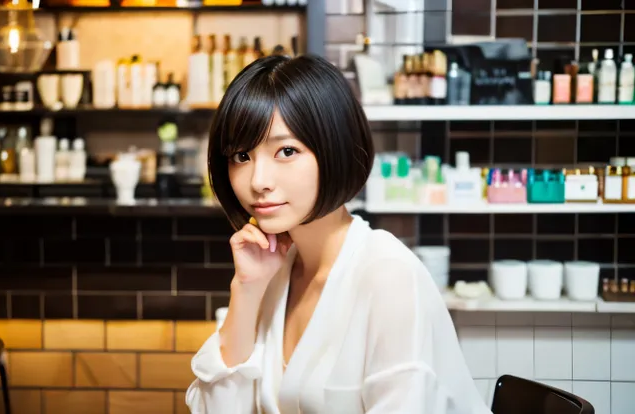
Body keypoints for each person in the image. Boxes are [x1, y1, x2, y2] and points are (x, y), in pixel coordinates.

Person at [185, 54, 491, 414]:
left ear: (336, 148)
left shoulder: (388, 275)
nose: (258, 181)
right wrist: (246, 290)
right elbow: (215, 409)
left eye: (286, 151)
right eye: (241, 156)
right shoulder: (274, 273)